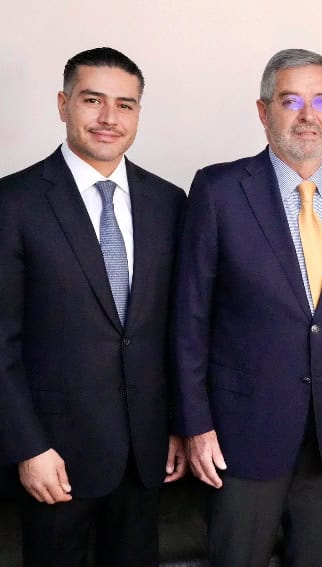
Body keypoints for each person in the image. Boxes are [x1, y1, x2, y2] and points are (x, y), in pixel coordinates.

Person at [172, 48, 322, 567]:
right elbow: (189, 319)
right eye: (291, 100)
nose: (307, 115)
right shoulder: (219, 189)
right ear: (263, 110)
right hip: (241, 431)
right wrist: (194, 424)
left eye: (321, 100)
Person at [0, 47, 187, 566]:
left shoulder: (170, 203)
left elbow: (174, 329)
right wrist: (27, 448)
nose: (109, 118)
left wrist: (174, 425)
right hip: (54, 457)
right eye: (92, 100)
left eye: (125, 105)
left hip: (145, 454)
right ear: (63, 105)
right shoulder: (13, 203)